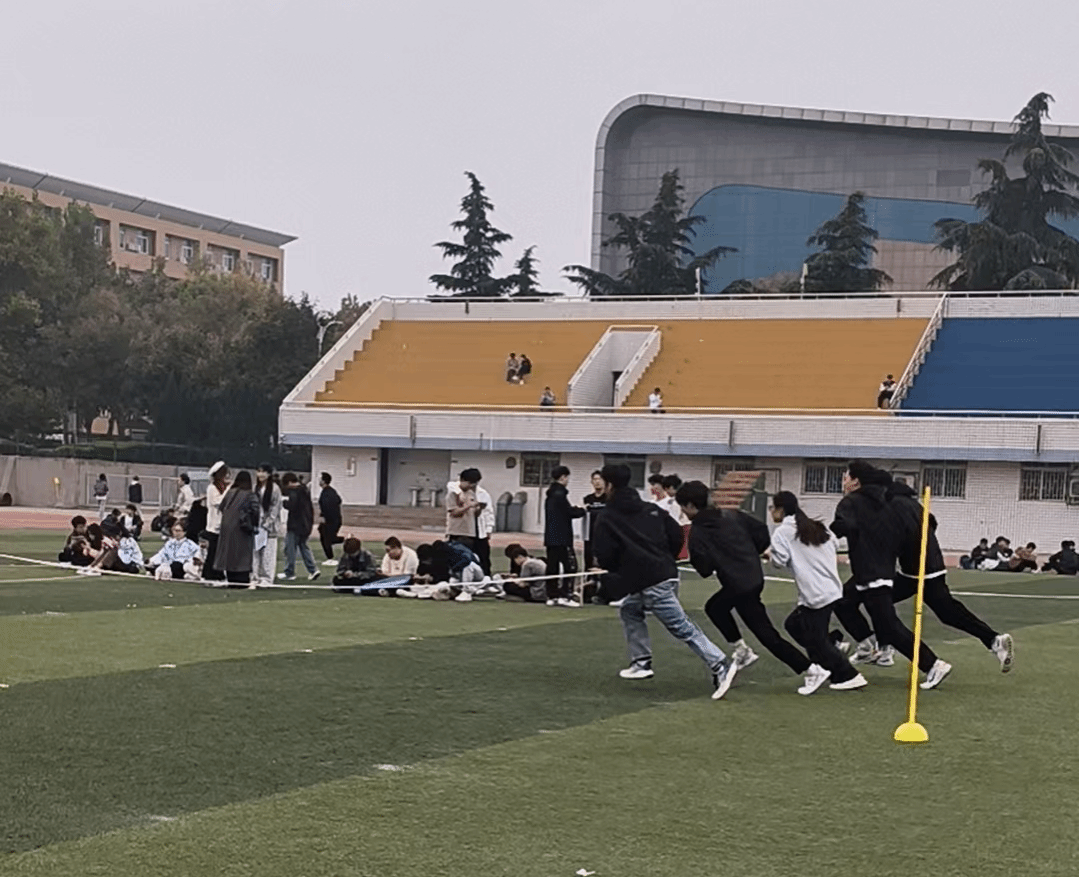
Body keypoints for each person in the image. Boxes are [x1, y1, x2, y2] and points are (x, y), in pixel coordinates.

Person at [835, 477, 1014, 673]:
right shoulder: (909, 504)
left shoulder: (890, 505)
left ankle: (880, 649)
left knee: (863, 598)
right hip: (923, 568)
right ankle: (994, 640)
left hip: (917, 571)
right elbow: (931, 522)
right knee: (946, 612)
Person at [592, 464, 737, 700]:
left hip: (650, 581)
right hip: (661, 574)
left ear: (609, 485)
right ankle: (641, 662)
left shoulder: (607, 517)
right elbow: (676, 535)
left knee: (681, 627)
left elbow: (605, 554)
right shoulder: (650, 509)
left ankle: (719, 663)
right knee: (630, 610)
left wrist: (619, 568)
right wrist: (664, 558)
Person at [830, 460, 951, 690]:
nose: (843, 481)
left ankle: (933, 665)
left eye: (846, 477)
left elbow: (843, 527)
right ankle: (868, 647)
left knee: (889, 626)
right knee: (843, 600)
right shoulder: (887, 502)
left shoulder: (850, 502)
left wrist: (826, 533)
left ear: (855, 481)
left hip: (870, 572)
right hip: (883, 569)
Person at [675, 480, 814, 678]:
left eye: (682, 506)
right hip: (754, 578)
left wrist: (716, 560)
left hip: (736, 585)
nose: (682, 511)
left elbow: (704, 569)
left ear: (690, 505)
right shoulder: (732, 515)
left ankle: (744, 651)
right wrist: (750, 551)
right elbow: (760, 531)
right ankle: (810, 669)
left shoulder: (698, 531)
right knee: (763, 632)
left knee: (716, 609)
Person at [768, 491, 867, 693]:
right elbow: (834, 543)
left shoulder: (782, 532)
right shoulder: (817, 527)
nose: (771, 512)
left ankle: (848, 675)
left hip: (815, 594)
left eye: (772, 508)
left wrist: (770, 554)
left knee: (815, 639)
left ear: (780, 509)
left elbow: (779, 561)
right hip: (831, 589)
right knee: (794, 624)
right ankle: (832, 647)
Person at [544, 465, 585, 607]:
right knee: (570, 567)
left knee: (552, 567)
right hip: (562, 538)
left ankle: (552, 596)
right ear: (563, 477)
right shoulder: (560, 495)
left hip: (550, 538)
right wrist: (582, 510)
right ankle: (565, 595)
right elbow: (568, 512)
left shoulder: (550, 495)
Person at [214, 470, 261, 586]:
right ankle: (241, 580)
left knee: (229, 554)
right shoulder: (249, 494)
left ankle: (231, 579)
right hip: (242, 528)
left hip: (227, 527)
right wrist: (253, 523)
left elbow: (222, 507)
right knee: (242, 555)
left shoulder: (230, 492)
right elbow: (255, 510)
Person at [279, 471, 320, 582]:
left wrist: (283, 503)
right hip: (306, 524)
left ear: (289, 483)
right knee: (303, 547)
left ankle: (289, 572)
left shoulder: (294, 492)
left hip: (295, 524)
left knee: (290, 548)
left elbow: (292, 506)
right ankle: (313, 569)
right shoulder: (305, 490)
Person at [253, 464, 283, 586]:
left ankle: (267, 578)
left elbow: (276, 508)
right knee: (256, 552)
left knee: (268, 553)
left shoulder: (275, 489)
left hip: (269, 527)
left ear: (269, 474)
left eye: (263, 472)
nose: (260, 474)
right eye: (259, 471)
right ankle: (255, 576)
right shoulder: (256, 487)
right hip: (257, 525)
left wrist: (267, 523)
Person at [202, 461, 230, 582]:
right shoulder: (212, 488)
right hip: (213, 524)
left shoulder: (222, 487)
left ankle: (218, 573)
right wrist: (228, 491)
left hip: (222, 524)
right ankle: (208, 574)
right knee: (213, 551)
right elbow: (217, 502)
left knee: (219, 551)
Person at [445, 468, 481, 549]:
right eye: (470, 483)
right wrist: (468, 505)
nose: (472, 486)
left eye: (474, 483)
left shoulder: (471, 493)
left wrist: (478, 508)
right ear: (462, 480)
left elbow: (475, 514)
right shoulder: (453, 494)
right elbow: (454, 512)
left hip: (470, 532)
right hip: (457, 532)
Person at [581, 470, 608, 571]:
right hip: (590, 536)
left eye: (599, 479)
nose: (597, 482)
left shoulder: (608, 498)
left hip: (604, 535)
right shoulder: (588, 499)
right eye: (594, 479)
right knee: (589, 561)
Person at [317, 472, 344, 566]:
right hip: (334, 519)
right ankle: (342, 540)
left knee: (326, 539)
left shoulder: (327, 493)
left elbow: (327, 506)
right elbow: (338, 501)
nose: (318, 481)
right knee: (326, 536)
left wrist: (324, 516)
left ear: (324, 481)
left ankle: (330, 558)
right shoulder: (330, 491)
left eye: (320, 479)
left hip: (331, 520)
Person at [473, 479, 496, 576]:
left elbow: (489, 512)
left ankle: (486, 577)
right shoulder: (458, 492)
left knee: (484, 556)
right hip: (465, 531)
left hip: (480, 530)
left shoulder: (483, 494)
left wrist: (489, 528)